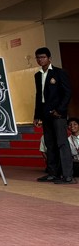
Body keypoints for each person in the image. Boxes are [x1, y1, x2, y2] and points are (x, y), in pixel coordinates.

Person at [33, 47, 75, 184]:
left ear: (49, 58)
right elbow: (39, 96)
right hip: (45, 114)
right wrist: (37, 115)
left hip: (58, 114)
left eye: (43, 57)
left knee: (62, 143)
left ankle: (68, 175)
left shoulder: (59, 73)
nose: (41, 60)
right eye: (38, 57)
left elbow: (67, 92)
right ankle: (53, 173)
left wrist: (60, 110)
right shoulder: (37, 75)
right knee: (49, 144)